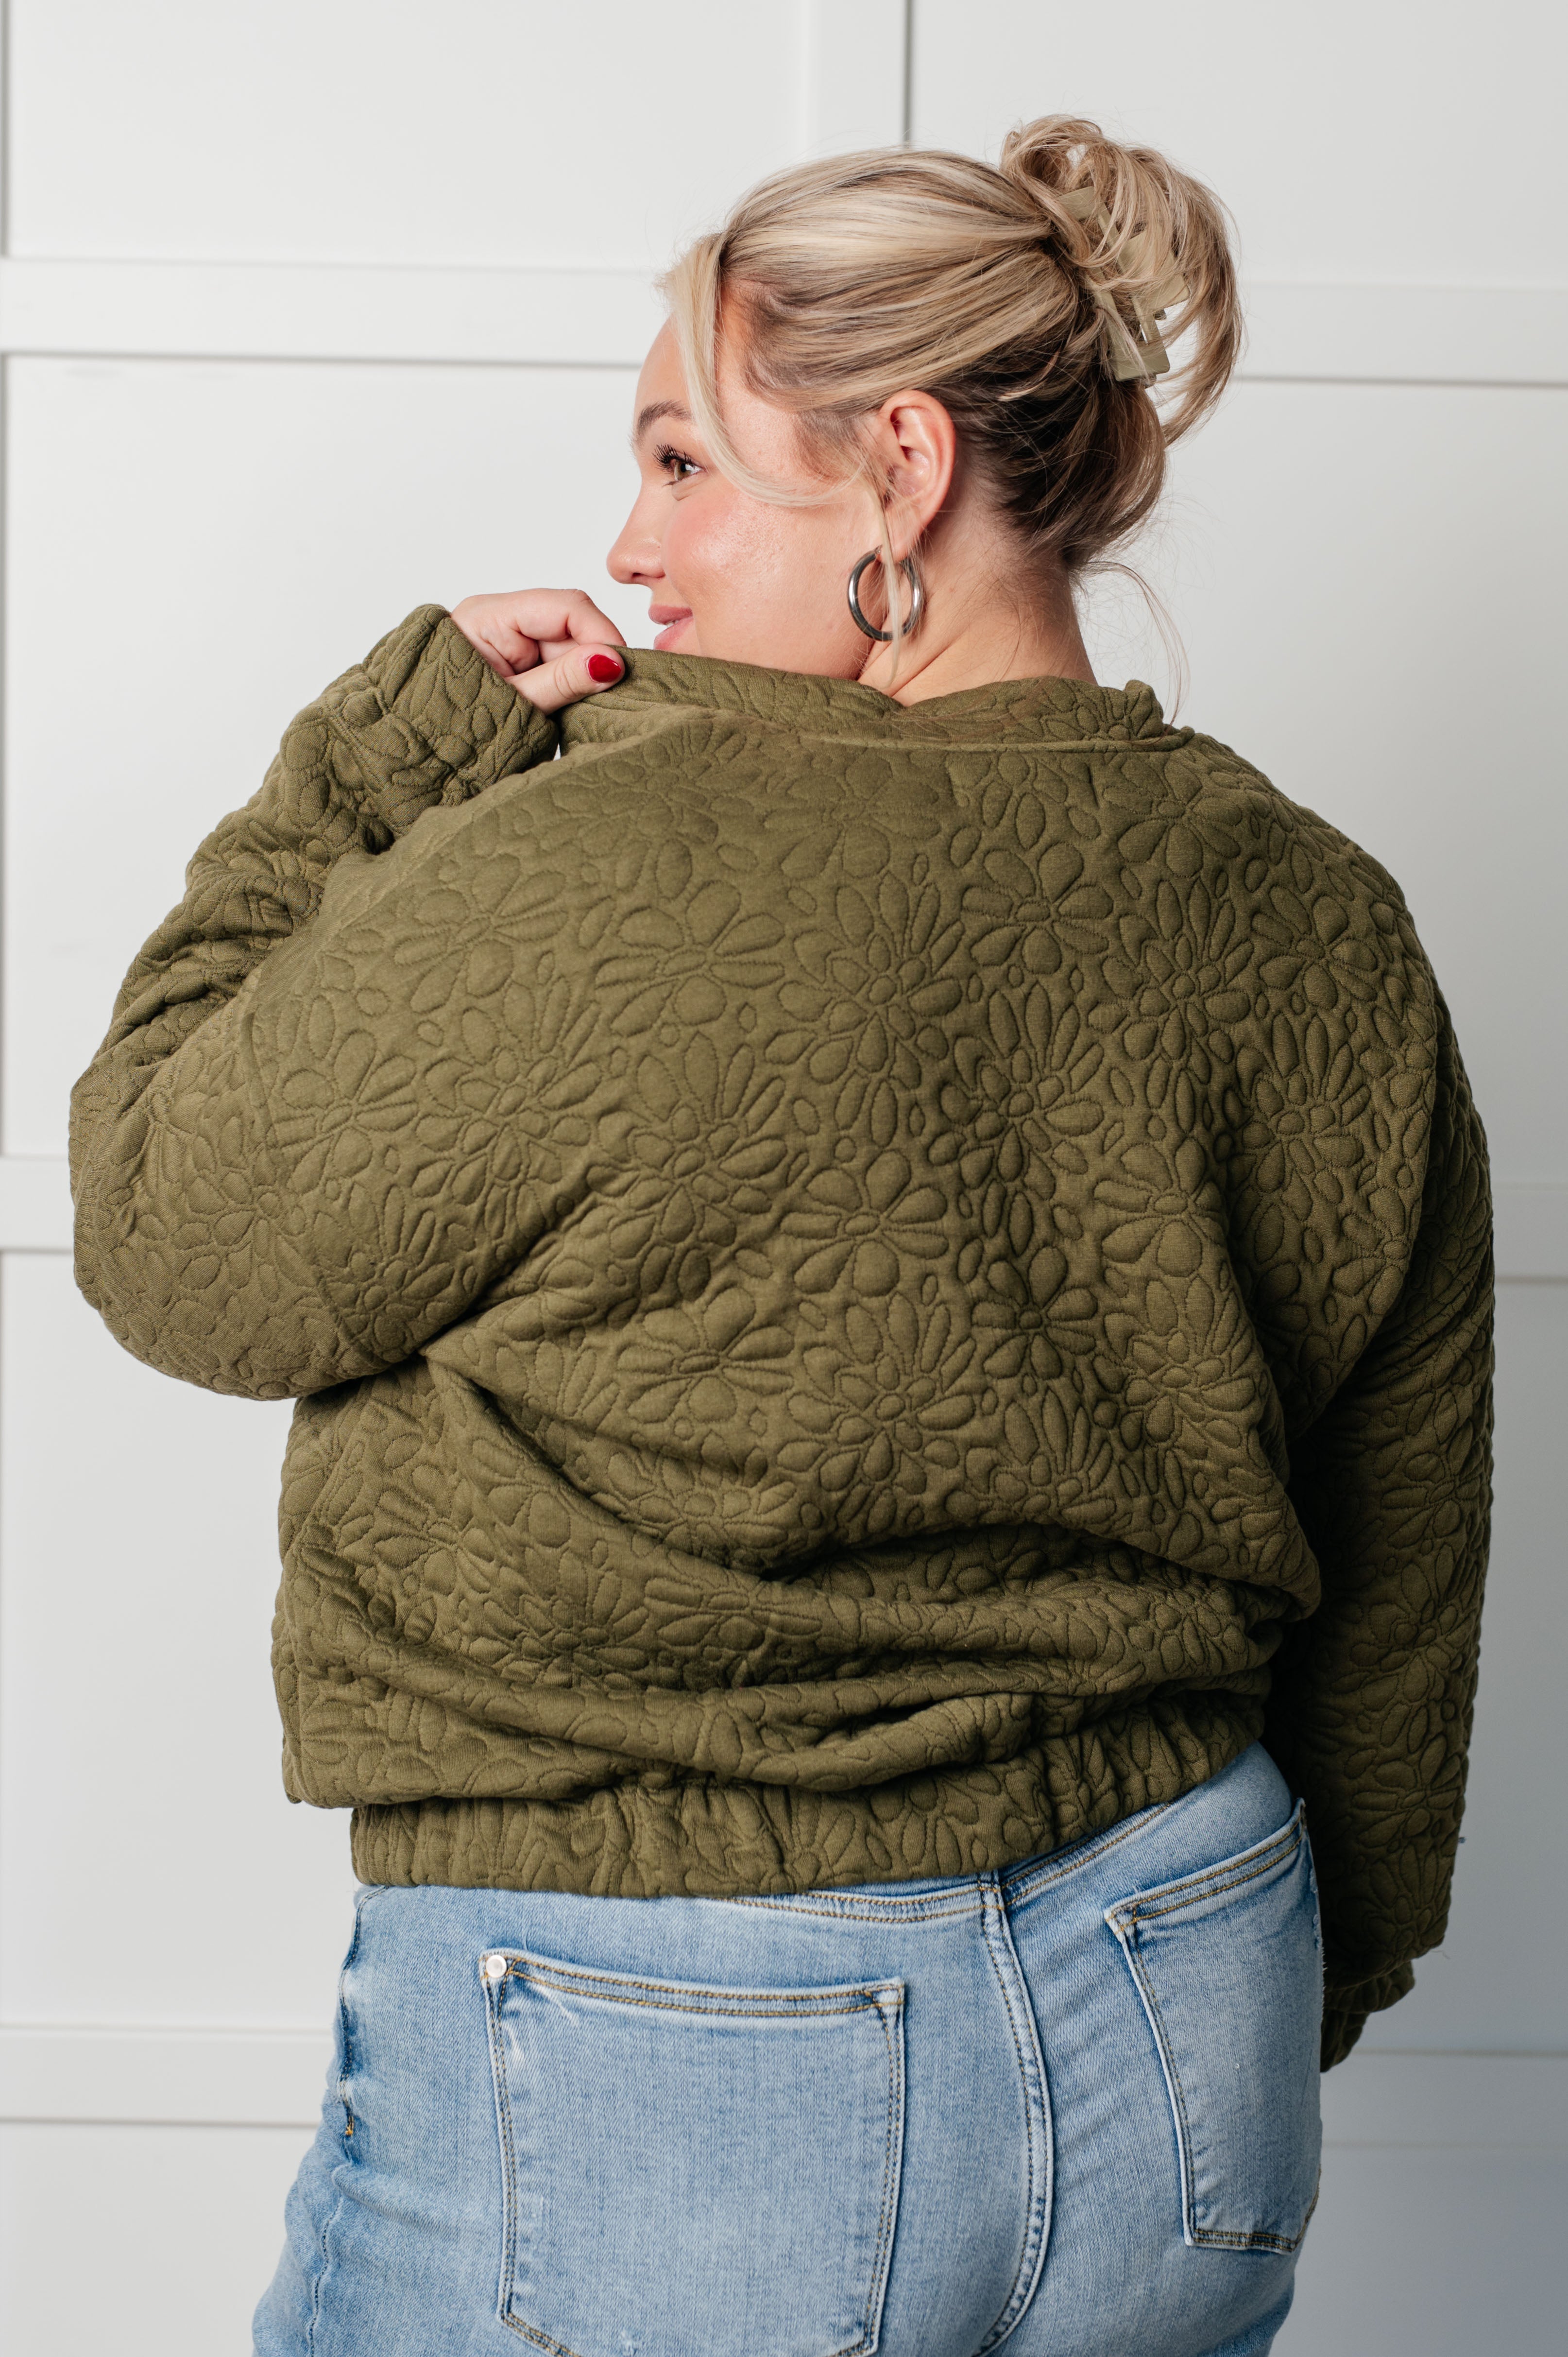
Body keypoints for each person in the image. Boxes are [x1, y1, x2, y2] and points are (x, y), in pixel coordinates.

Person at [69, 116, 1492, 2357]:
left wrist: (390, 745)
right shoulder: (1309, 906)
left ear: (902, 468)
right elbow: (1402, 1538)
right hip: (1190, 1977)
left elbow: (168, 1228)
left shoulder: (572, 863)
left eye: (683, 461)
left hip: (668, 2030)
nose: (633, 549)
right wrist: (1317, 1966)